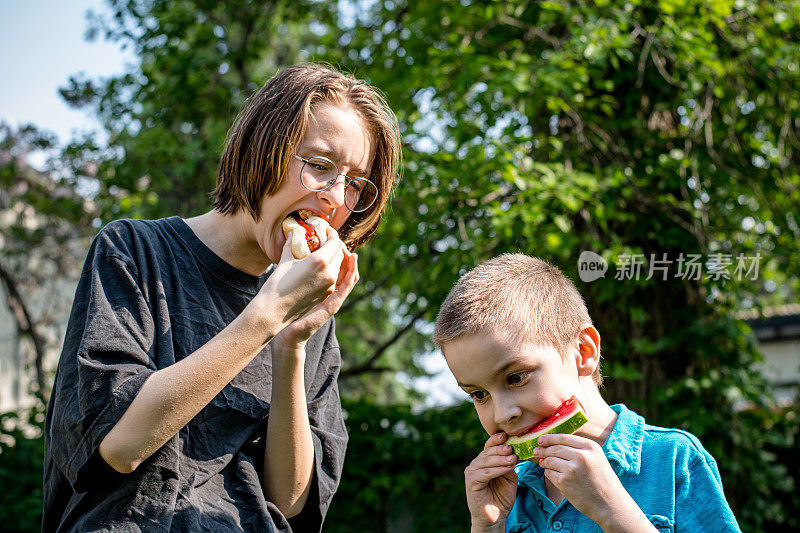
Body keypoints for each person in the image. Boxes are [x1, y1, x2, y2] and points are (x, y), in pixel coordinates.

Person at [43, 63, 400, 532]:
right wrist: (267, 316)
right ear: (263, 151)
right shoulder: (133, 251)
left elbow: (289, 502)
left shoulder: (312, 316)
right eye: (318, 165)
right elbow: (118, 445)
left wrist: (291, 344)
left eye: (355, 183)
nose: (336, 197)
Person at [432, 254, 741, 533]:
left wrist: (612, 510)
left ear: (583, 351)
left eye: (516, 378)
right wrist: (487, 526)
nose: (502, 414)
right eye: (479, 395)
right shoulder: (511, 493)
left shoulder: (674, 459)